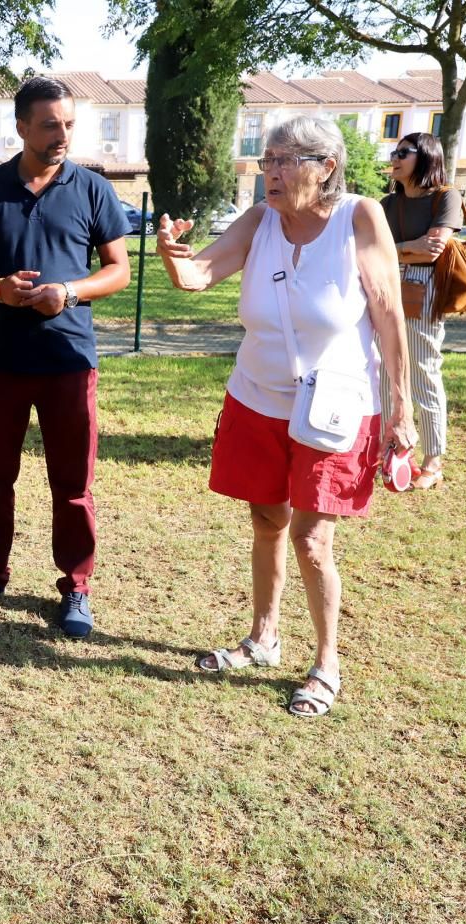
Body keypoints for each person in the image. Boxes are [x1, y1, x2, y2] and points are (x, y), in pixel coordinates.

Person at [154, 115, 418, 717]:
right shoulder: (260, 220)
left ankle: (327, 664)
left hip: (335, 406)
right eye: (266, 160)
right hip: (258, 397)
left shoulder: (359, 218)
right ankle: (264, 637)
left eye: (284, 161)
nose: (269, 173)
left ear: (325, 167)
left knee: (312, 539)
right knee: (268, 522)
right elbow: (198, 275)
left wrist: (401, 408)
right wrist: (174, 256)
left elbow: (387, 313)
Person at [0, 76, 132, 640]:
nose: (62, 135)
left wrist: (68, 292)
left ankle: (76, 587)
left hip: (69, 360)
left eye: (69, 124)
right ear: (20, 127)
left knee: (73, 483)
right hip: (0, 359)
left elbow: (117, 270)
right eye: (50, 125)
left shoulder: (92, 189)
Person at [380, 132, 463, 490]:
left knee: (423, 371)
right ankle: (396, 449)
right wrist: (408, 247)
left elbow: (433, 251)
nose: (394, 157)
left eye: (403, 152)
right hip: (385, 284)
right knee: (386, 371)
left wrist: (395, 250)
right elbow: (371, 250)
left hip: (423, 289)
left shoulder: (446, 197)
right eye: (395, 152)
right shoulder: (387, 203)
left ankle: (433, 459)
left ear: (426, 156)